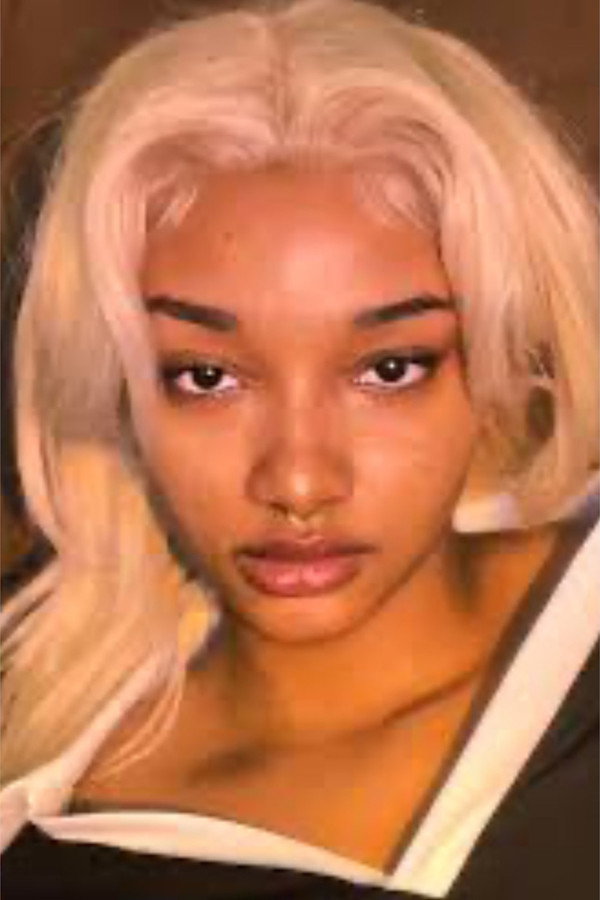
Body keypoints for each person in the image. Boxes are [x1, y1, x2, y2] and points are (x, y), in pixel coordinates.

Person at [0, 0, 598, 897]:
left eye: (389, 369)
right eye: (206, 377)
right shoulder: (39, 734)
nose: (299, 481)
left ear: (502, 354)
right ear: (116, 386)